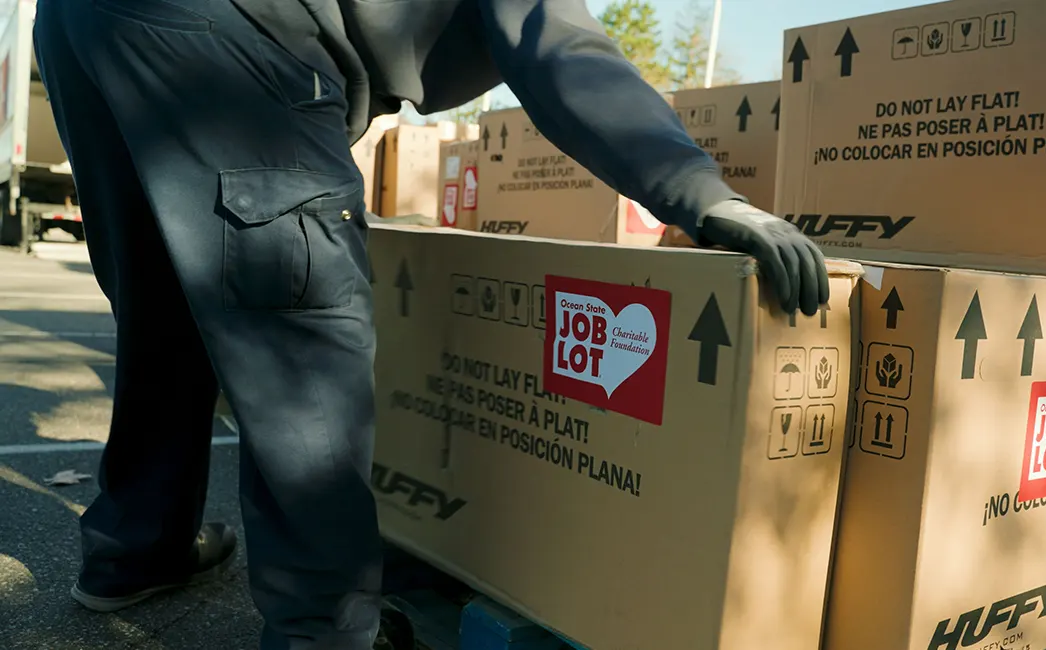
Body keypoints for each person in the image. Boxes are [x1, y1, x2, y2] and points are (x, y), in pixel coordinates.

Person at [32, 0, 830, 648]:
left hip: (83, 23)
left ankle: (135, 550)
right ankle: (324, 634)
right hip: (230, 37)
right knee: (304, 350)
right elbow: (561, 49)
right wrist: (701, 193)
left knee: (168, 311)